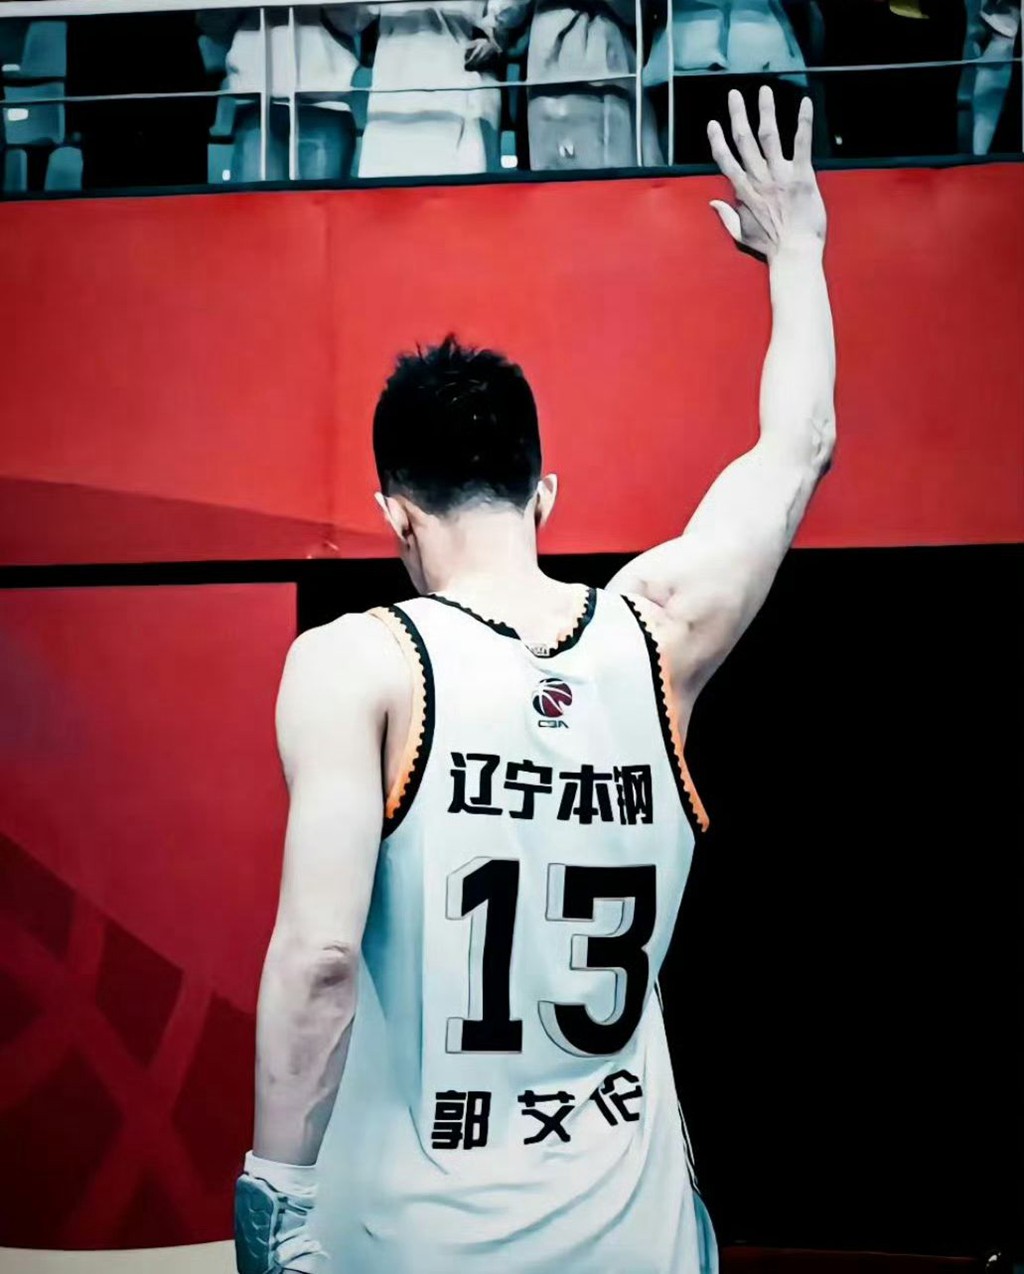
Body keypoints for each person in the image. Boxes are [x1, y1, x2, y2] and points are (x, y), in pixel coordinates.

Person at [234, 85, 834, 1274]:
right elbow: (796, 447)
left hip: (410, 1246)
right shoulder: (659, 632)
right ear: (543, 492)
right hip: (636, 1245)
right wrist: (798, 253)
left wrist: (276, 1192)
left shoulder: (357, 662)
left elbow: (320, 960)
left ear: (393, 513)